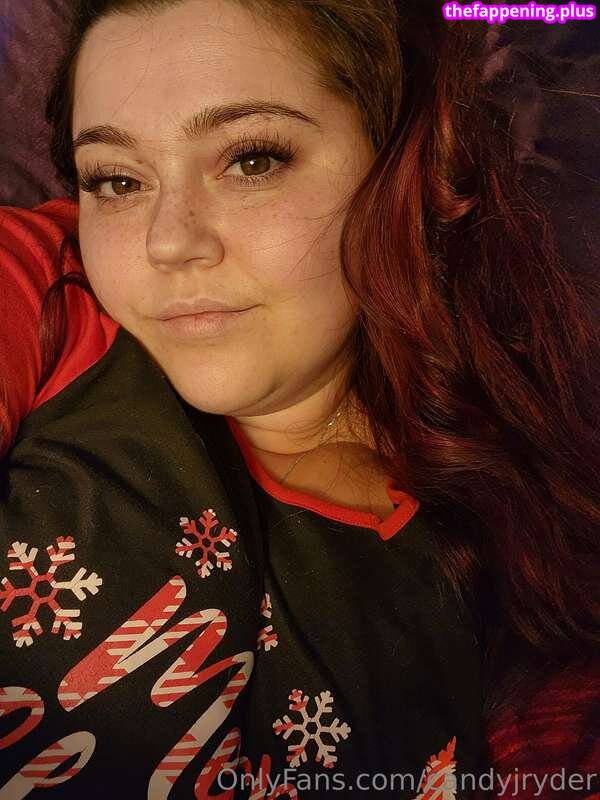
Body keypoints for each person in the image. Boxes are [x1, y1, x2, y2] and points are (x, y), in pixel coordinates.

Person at [0, 1, 597, 798]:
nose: (166, 241)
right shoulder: (54, 297)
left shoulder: (518, 575)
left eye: (251, 160)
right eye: (117, 180)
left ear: (402, 164)